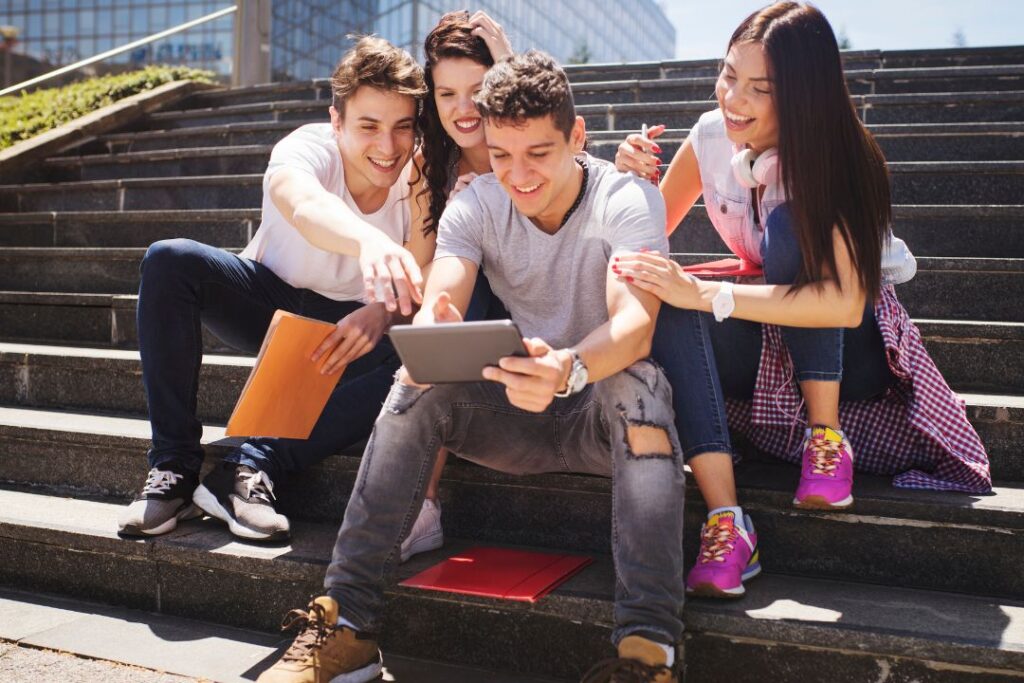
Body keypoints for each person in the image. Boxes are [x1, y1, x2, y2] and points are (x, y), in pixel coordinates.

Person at [257, 51, 686, 683]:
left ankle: (649, 653)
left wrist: (566, 367)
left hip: (595, 408)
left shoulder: (627, 199)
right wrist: (433, 336)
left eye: (538, 153)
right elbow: (444, 298)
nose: (519, 175)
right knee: (415, 384)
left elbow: (633, 326)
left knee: (642, 388)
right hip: (509, 410)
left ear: (577, 136)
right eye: (503, 154)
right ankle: (346, 625)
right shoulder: (476, 201)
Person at [614, 1, 992, 600]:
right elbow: (645, 231)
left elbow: (842, 306)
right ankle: (729, 522)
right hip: (767, 328)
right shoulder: (711, 136)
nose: (733, 99)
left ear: (800, 95)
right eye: (729, 75)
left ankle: (826, 438)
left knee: (791, 227)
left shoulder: (837, 156)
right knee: (665, 294)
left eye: (760, 88)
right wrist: (628, 181)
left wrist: (706, 290)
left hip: (854, 348)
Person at [118, 36, 432, 543]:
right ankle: (174, 467)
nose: (387, 146)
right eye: (369, 126)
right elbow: (305, 209)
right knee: (169, 260)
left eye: (403, 127)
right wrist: (369, 240)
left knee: (424, 355)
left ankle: (248, 468)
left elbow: (421, 275)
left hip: (349, 328)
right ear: (337, 122)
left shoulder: (420, 173)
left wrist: (381, 313)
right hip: (268, 302)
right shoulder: (304, 147)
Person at [396, 9, 514, 563]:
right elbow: (427, 272)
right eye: (447, 95)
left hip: (540, 319)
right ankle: (418, 508)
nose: (463, 109)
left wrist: (511, 66)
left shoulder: (530, 140)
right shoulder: (430, 165)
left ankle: (417, 497)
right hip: (466, 319)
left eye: (480, 89)